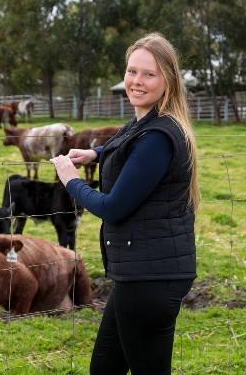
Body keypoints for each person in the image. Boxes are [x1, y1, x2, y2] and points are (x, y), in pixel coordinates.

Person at [50, 32, 200, 375]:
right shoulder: (147, 124)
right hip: (140, 273)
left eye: (149, 74)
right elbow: (132, 151)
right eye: (132, 71)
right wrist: (95, 153)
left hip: (151, 278)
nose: (137, 81)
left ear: (168, 80)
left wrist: (71, 179)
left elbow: (114, 207)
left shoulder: (158, 136)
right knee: (105, 369)